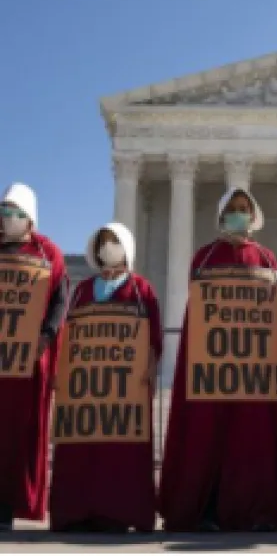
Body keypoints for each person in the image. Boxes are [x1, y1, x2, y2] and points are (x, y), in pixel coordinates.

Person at [159, 187, 277, 532]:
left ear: (253, 214)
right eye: (232, 208)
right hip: (213, 367)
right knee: (209, 441)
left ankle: (256, 510)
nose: (238, 213)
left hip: (253, 370)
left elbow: (274, 312)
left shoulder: (266, 258)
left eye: (243, 208)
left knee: (252, 441)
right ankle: (208, 511)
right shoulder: (204, 257)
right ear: (220, 214)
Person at [50, 222, 162, 533]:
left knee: (121, 452)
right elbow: (67, 333)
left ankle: (121, 511)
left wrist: (151, 366)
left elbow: (153, 336)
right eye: (103, 242)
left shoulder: (141, 288)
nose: (108, 247)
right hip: (86, 387)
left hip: (126, 387)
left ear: (126, 247)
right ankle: (75, 512)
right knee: (80, 449)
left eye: (114, 242)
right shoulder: (83, 289)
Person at [0, 183, 68, 530]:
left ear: (31, 218)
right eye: (5, 211)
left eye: (17, 213)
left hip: (28, 362)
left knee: (21, 432)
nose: (9, 219)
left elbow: (60, 298)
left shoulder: (48, 252)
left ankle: (14, 503)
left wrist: (48, 334)